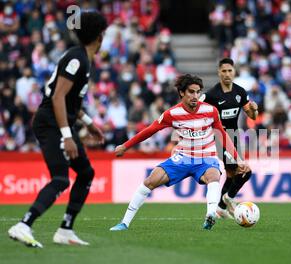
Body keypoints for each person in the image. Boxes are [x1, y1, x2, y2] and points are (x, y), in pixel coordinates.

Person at [8, 11, 108, 247]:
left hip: (61, 121)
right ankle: (23, 225)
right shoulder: (77, 59)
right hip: (50, 122)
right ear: (100, 36)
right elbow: (58, 97)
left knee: (86, 173)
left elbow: (72, 102)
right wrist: (67, 136)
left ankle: (65, 230)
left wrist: (90, 124)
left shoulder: (83, 58)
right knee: (61, 179)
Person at [109, 74, 249, 231]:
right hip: (183, 158)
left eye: (198, 92)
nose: (195, 96)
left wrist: (237, 159)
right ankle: (124, 223)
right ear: (182, 92)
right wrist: (126, 146)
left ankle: (210, 215)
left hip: (206, 158)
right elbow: (150, 130)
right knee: (150, 181)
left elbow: (223, 136)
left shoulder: (211, 111)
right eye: (191, 92)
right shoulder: (172, 114)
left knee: (213, 175)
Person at [199, 58, 258, 219]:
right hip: (220, 138)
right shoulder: (211, 95)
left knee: (232, 175)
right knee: (245, 171)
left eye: (229, 71)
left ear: (234, 72)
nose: (227, 74)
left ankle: (221, 208)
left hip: (235, 136)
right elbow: (196, 107)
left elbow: (251, 116)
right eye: (223, 71)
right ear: (219, 72)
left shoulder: (240, 92)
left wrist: (254, 110)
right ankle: (229, 198)